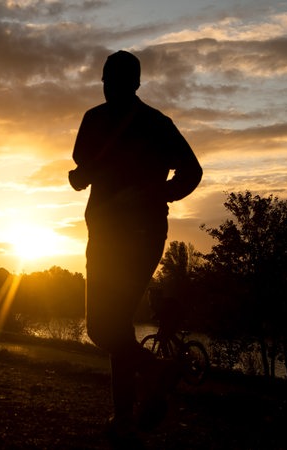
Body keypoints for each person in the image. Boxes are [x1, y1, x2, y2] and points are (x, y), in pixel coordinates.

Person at [68, 50, 202, 442]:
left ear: (134, 83)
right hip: (121, 235)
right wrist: (155, 192)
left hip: (128, 235)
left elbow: (192, 172)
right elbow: (87, 169)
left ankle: (156, 374)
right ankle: (124, 417)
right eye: (108, 81)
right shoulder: (151, 123)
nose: (110, 88)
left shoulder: (106, 120)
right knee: (115, 327)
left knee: (100, 327)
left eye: (115, 81)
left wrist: (152, 193)